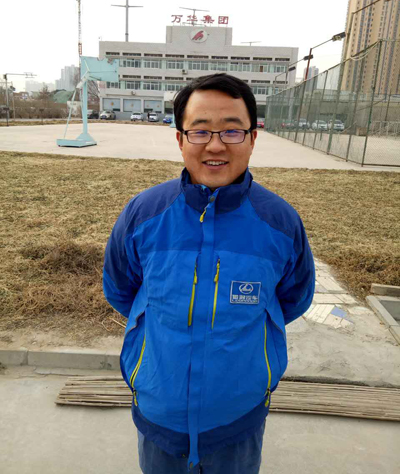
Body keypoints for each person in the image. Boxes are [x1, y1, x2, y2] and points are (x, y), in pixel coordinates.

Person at [103, 73, 315, 474]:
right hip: (159, 413)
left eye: (232, 131)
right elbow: (120, 289)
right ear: (180, 139)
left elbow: (294, 298)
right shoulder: (143, 214)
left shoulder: (280, 222)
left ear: (253, 138)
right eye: (200, 131)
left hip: (238, 418)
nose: (215, 145)